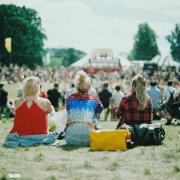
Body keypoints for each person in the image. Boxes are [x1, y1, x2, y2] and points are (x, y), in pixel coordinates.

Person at [4, 76, 57, 147]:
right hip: (41, 136)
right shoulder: (45, 102)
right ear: (38, 88)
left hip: (20, 136)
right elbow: (51, 113)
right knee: (49, 110)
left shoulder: (17, 102)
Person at [65, 70, 103, 146]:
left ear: (76, 86)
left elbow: (68, 112)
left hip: (71, 138)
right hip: (90, 139)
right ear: (89, 87)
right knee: (95, 119)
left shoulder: (69, 99)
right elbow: (100, 109)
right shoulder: (94, 100)